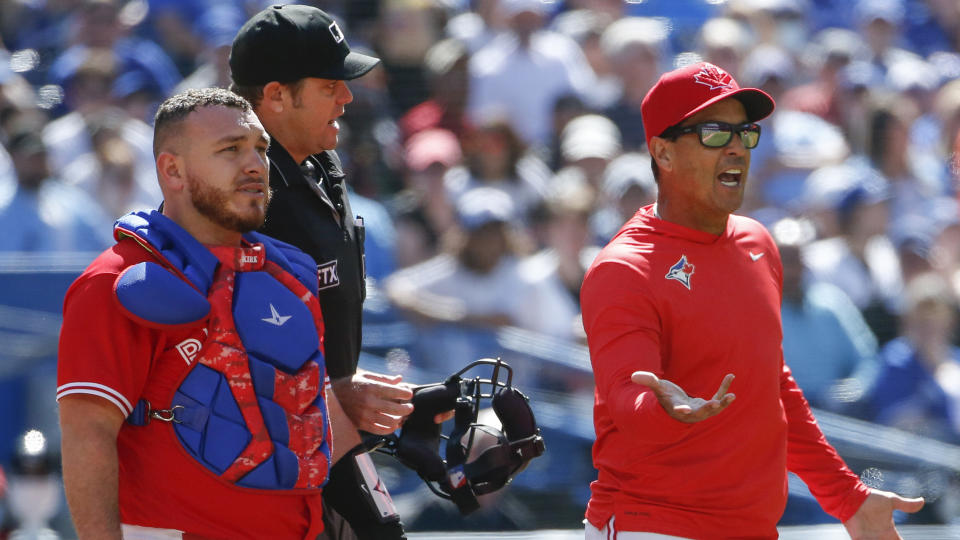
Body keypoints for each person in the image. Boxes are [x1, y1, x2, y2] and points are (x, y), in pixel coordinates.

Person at [579, 61, 925, 539]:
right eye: (715, 133)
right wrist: (662, 408)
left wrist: (847, 497)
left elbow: (771, 387)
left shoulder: (758, 243)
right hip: (654, 524)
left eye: (745, 133)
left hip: (752, 527)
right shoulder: (624, 267)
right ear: (663, 152)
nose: (738, 147)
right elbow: (626, 395)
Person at [56, 87, 361, 539]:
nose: (255, 164)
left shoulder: (291, 272)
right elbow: (88, 435)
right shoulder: (118, 280)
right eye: (230, 150)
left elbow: (302, 416)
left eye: (260, 148)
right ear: (172, 169)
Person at [229, 5, 415, 539]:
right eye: (331, 83)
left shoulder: (318, 164)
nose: (348, 96)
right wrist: (334, 396)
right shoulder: (241, 200)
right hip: (265, 470)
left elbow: (322, 354)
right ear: (276, 95)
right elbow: (252, 360)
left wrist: (390, 404)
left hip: (324, 449)